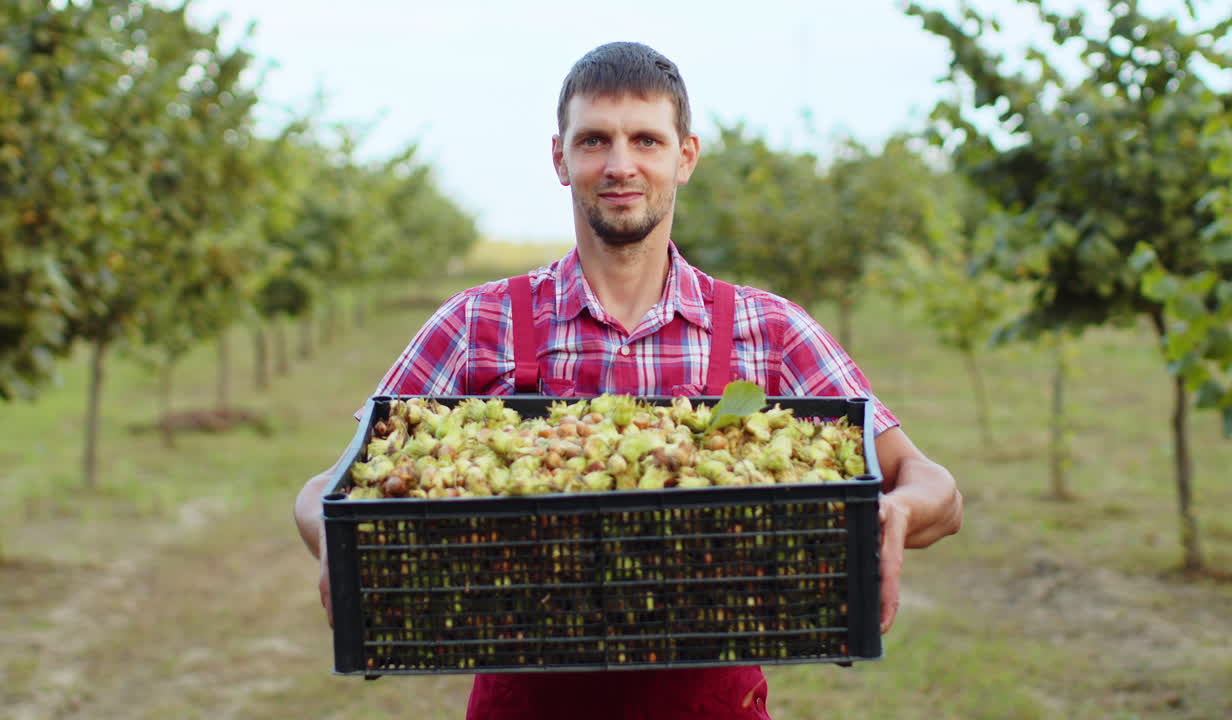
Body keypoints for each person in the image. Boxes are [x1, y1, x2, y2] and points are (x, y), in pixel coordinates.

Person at [294, 41, 962, 720]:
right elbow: (329, 486)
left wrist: (899, 510)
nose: (620, 165)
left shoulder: (768, 329)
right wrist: (334, 535)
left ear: (686, 156)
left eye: (646, 139)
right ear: (560, 157)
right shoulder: (477, 323)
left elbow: (935, 485)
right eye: (593, 141)